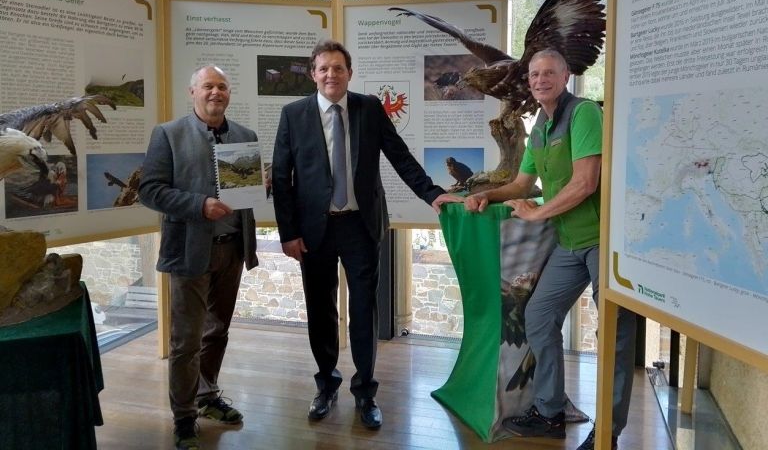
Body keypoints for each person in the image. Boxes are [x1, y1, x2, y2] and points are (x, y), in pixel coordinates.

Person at [434, 48, 635, 450]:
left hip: (603, 241)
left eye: (549, 73)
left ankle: (608, 431)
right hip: (569, 241)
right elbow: (524, 185)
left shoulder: (584, 115)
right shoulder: (541, 122)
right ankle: (549, 410)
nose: (540, 80)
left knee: (614, 334)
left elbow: (585, 183)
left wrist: (537, 216)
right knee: (539, 316)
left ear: (565, 76)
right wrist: (484, 196)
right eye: (534, 75)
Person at [271, 39, 445, 430]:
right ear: (313, 74)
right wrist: (288, 233)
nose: (331, 74)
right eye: (323, 68)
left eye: (338, 68)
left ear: (350, 72)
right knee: (320, 308)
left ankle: (365, 392)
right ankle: (327, 384)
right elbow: (282, 178)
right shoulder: (294, 114)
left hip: (359, 225)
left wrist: (432, 193)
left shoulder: (369, 108)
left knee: (364, 310)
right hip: (313, 230)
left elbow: (399, 155)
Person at [139, 65, 259, 450]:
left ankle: (207, 397)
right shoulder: (168, 134)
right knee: (185, 340)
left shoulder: (245, 136)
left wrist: (261, 184)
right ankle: (184, 417)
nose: (215, 92)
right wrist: (199, 204)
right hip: (189, 251)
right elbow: (150, 191)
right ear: (192, 92)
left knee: (217, 331)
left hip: (232, 250)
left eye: (222, 86)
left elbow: (246, 197)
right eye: (208, 86)